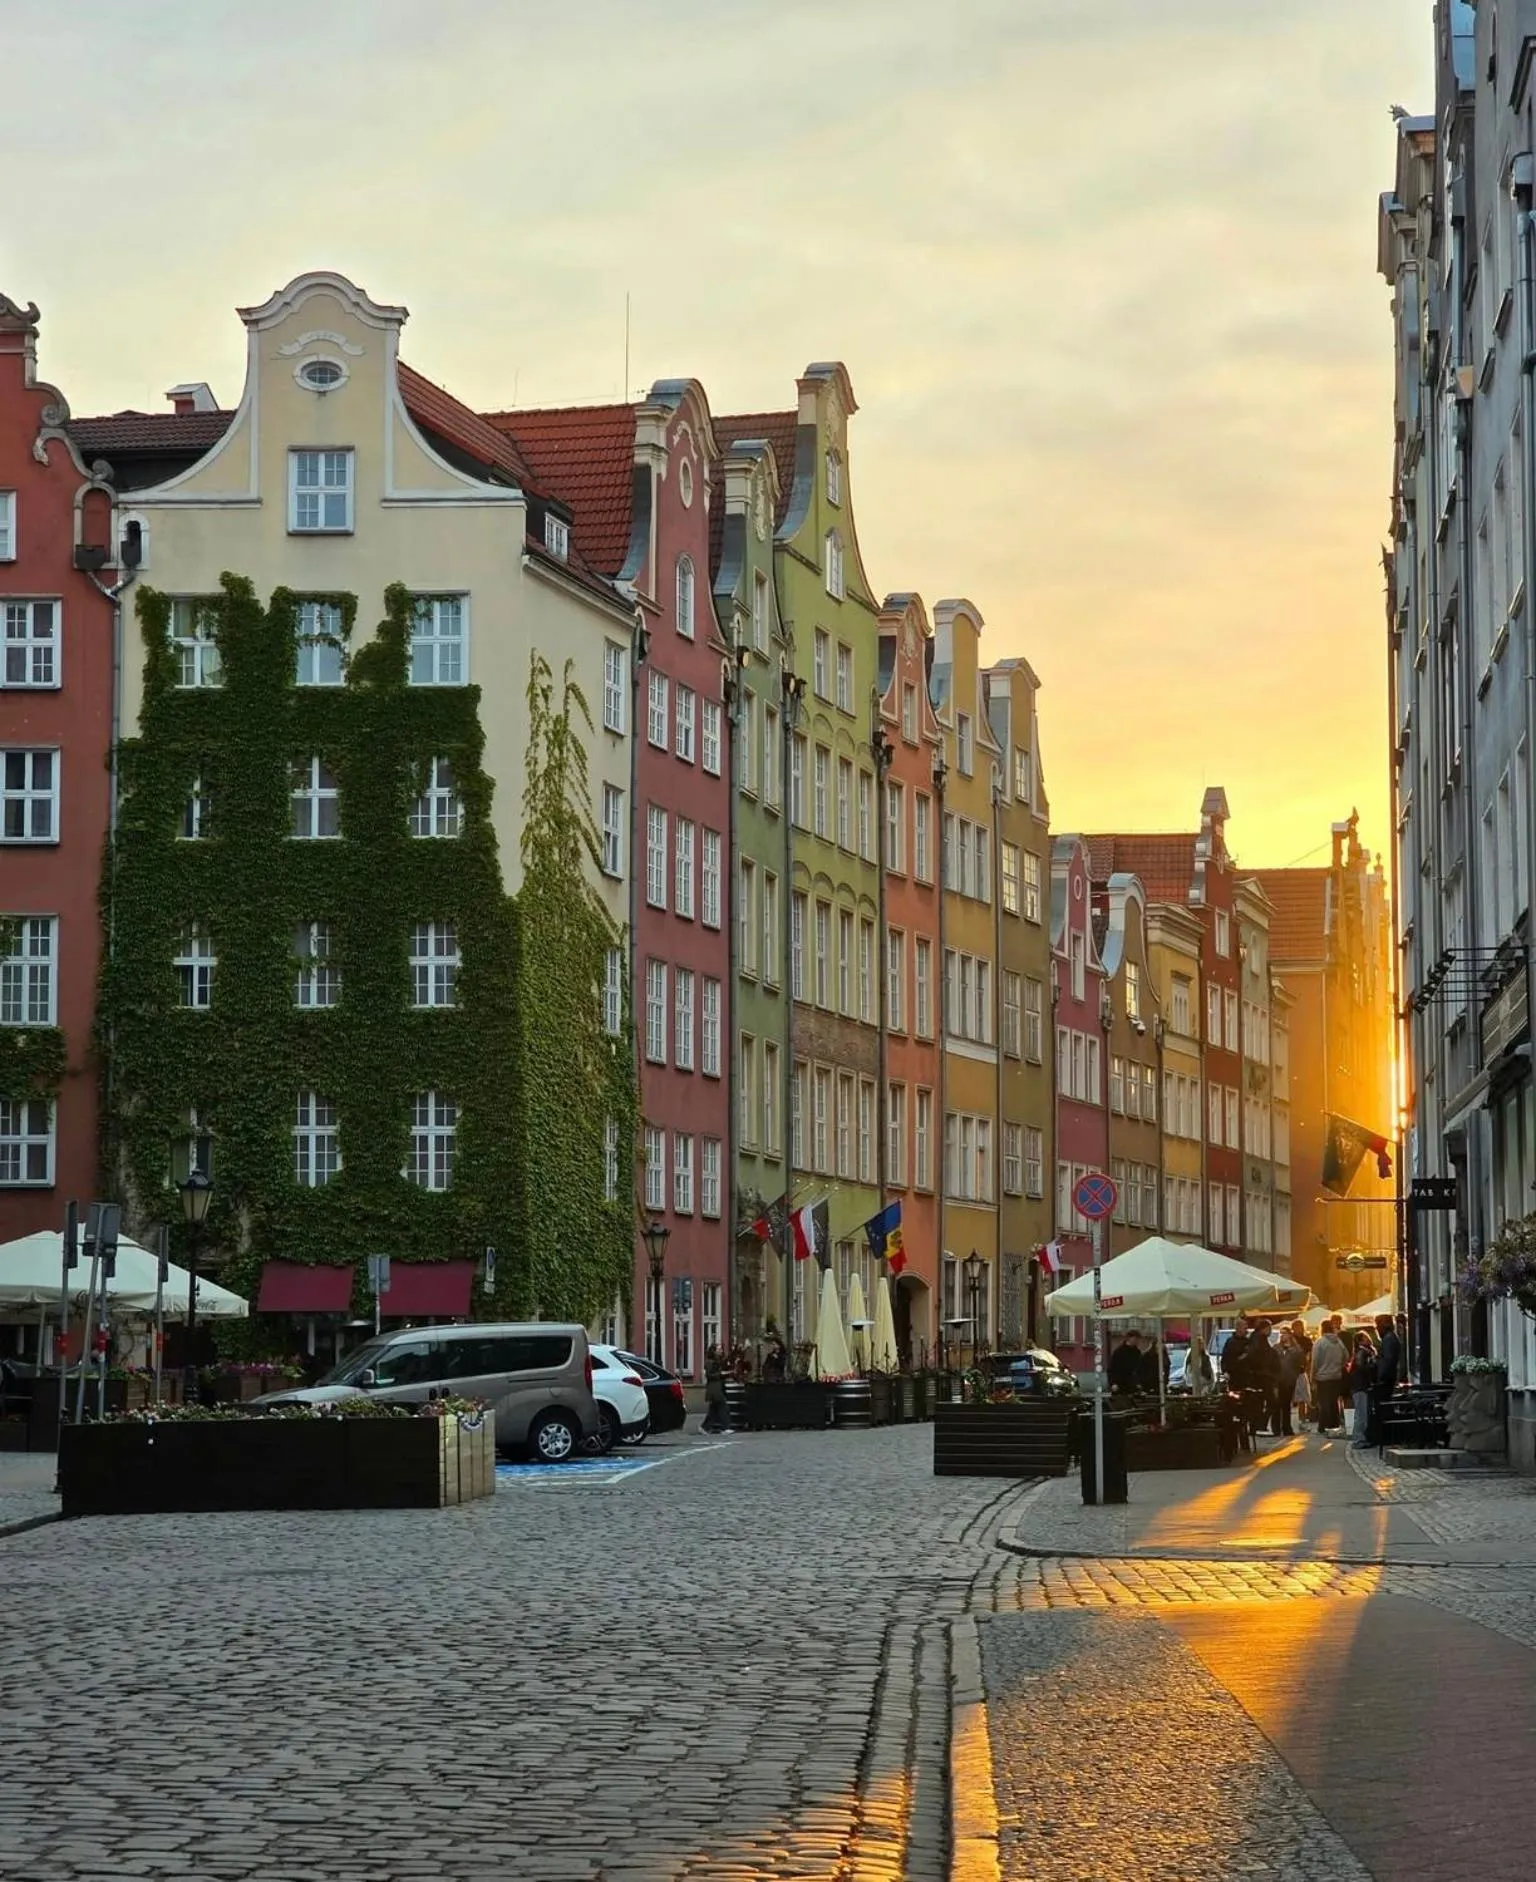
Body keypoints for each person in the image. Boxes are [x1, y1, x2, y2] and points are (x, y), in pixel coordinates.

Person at [1311, 1316, 1347, 1436]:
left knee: (1324, 1402)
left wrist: (1313, 1376)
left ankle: (1322, 1426)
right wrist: (1338, 1366)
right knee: (1333, 1402)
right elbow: (1346, 1356)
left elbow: (1315, 1361)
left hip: (1323, 1377)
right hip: (1336, 1376)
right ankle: (1334, 1425)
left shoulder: (1319, 1342)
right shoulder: (1338, 1341)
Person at [1347, 1333, 1378, 1447]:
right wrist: (1373, 1366)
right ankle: (1358, 1439)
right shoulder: (1362, 1352)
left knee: (1363, 1413)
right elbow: (1362, 1367)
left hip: (1360, 1386)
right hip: (1360, 1386)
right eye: (1365, 1337)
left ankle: (1361, 1438)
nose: (1368, 1338)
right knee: (1361, 1414)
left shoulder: (1365, 1351)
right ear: (1360, 1341)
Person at [1273, 1331, 1302, 1437]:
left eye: (1285, 1334)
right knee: (1276, 1405)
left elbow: (1300, 1362)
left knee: (1286, 1405)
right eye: (1282, 1334)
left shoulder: (1296, 1350)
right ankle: (1276, 1428)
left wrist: (1295, 1374)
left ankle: (1287, 1428)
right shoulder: (1276, 1348)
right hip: (1277, 1380)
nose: (1283, 1336)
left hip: (1289, 1380)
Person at [1108, 1330, 1143, 1395]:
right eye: (1135, 1338)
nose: (1137, 1341)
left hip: (1132, 1384)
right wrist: (1113, 1383)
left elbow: (1139, 1369)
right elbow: (1113, 1368)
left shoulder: (1137, 1352)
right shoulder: (1119, 1352)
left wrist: (1138, 1382)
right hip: (1120, 1384)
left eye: (1138, 1339)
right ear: (1129, 1338)